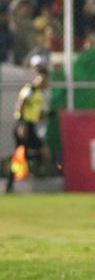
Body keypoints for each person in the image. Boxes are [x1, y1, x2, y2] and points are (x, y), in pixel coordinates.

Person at [5, 63, 50, 193]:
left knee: (20, 155)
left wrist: (53, 113)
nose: (45, 82)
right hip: (24, 125)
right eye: (44, 79)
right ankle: (34, 172)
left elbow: (38, 113)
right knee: (42, 152)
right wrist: (21, 124)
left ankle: (10, 183)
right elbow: (20, 106)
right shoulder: (30, 89)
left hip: (30, 125)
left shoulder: (39, 95)